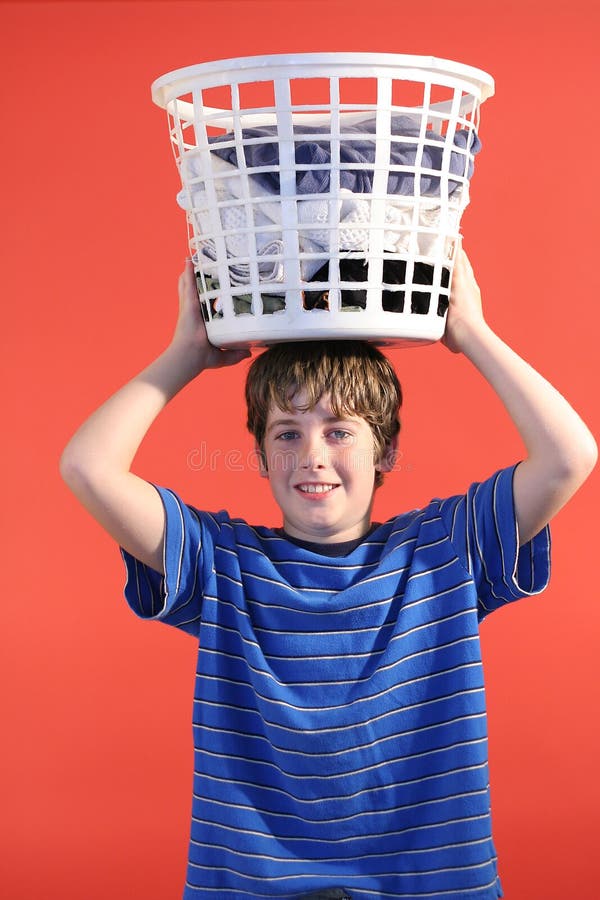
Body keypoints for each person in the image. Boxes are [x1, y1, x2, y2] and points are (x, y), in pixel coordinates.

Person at [60, 248, 596, 899]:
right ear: (259, 456)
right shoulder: (219, 563)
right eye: (286, 433)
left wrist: (470, 333)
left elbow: (570, 456)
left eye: (339, 430)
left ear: (387, 449)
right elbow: (88, 467)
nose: (311, 455)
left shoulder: (448, 551)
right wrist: (188, 355)